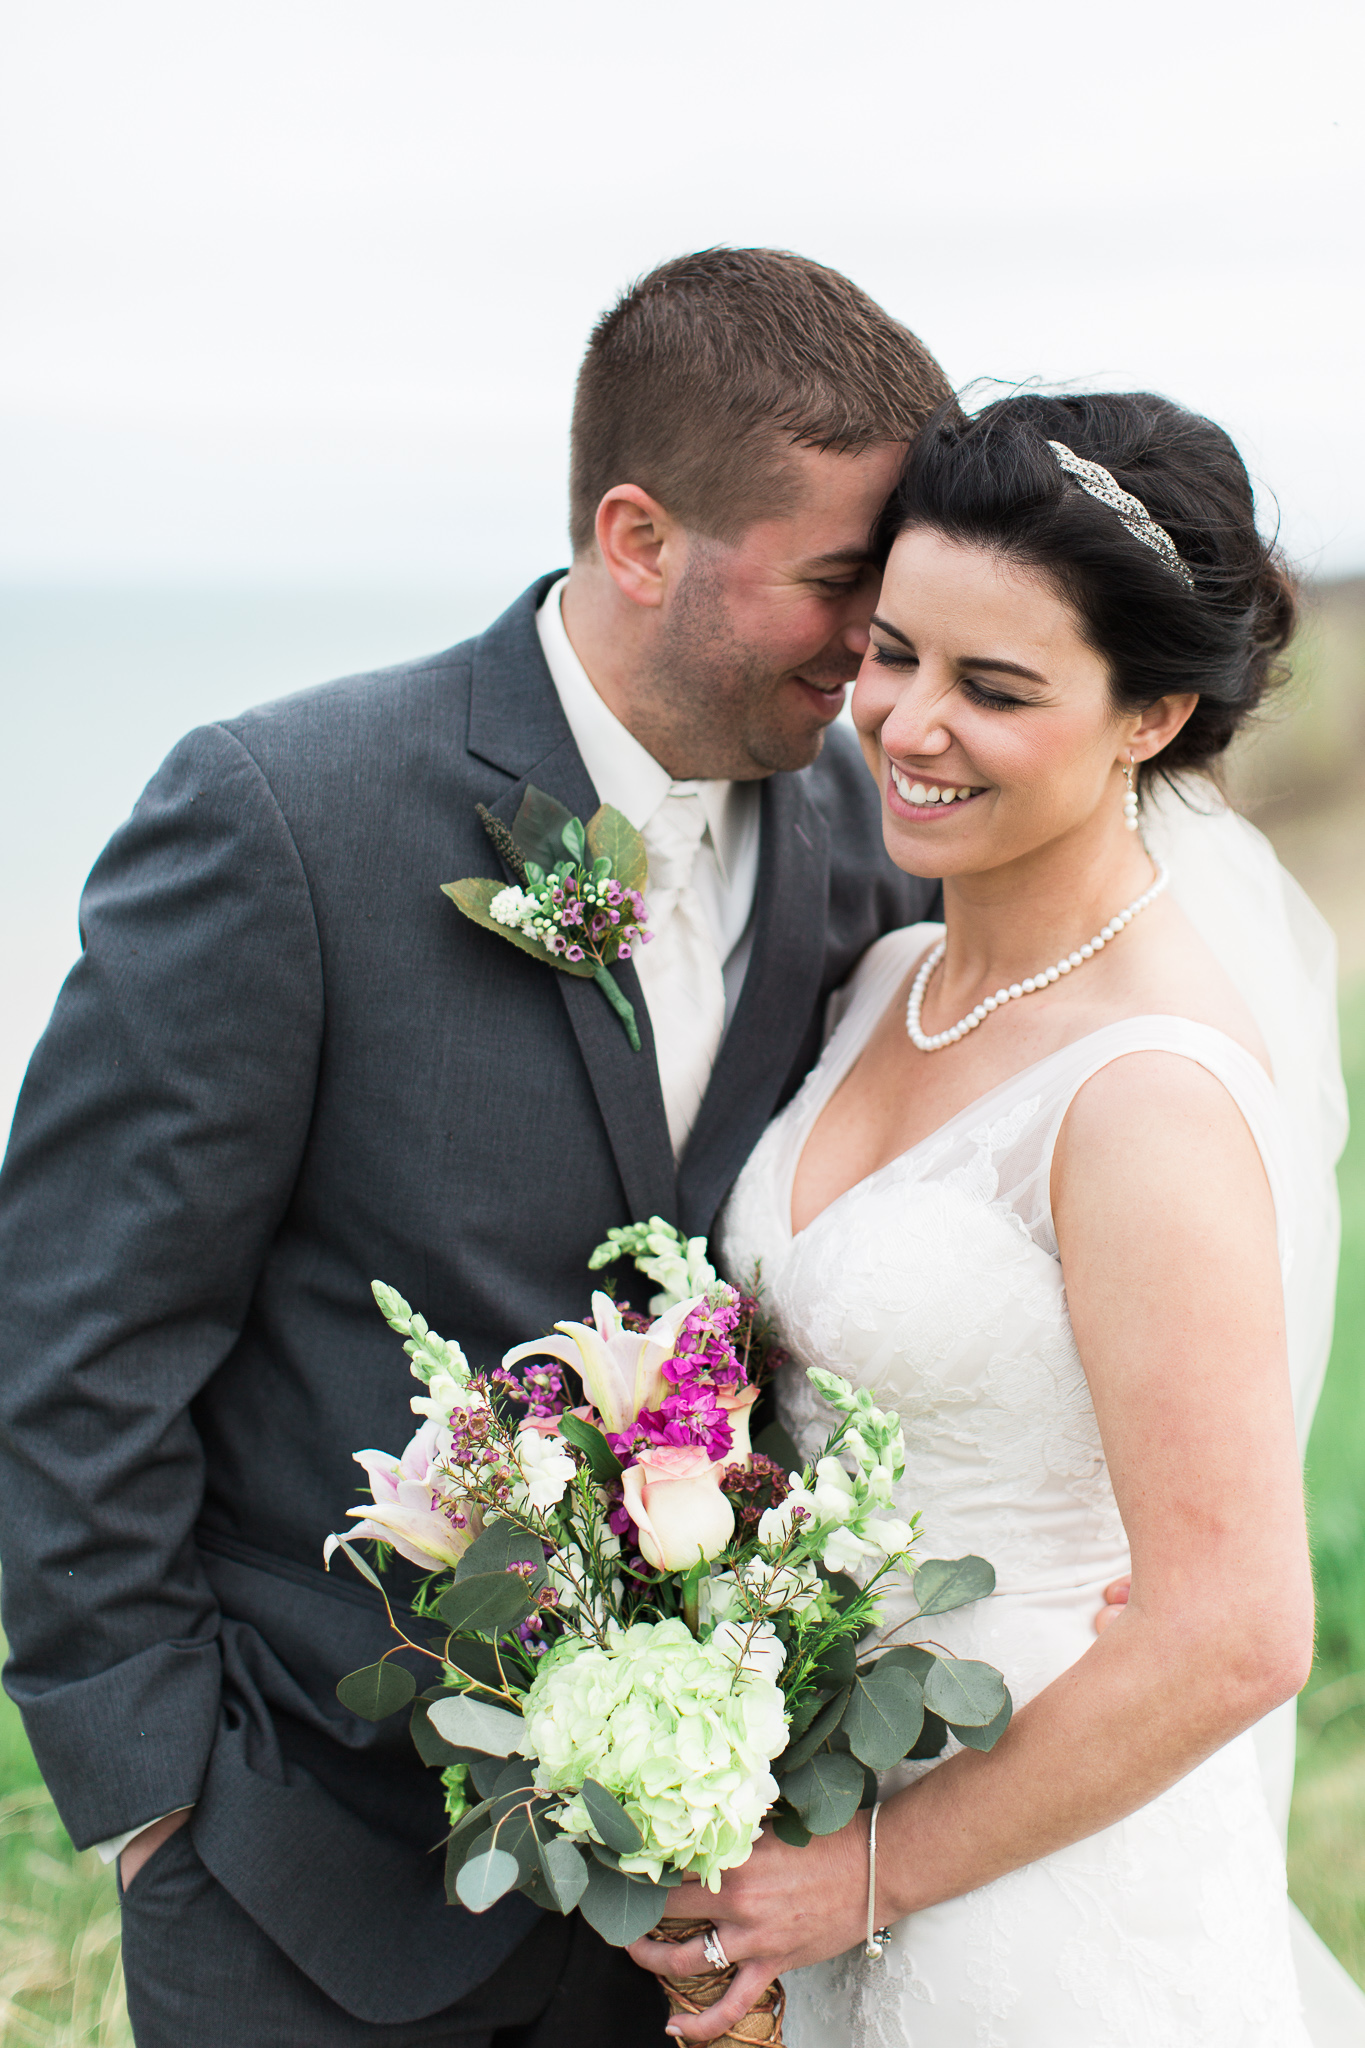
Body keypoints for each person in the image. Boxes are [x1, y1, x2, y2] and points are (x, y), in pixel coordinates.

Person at [0, 248, 952, 2045]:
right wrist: (154, 1810)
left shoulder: (868, 830)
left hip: (694, 1914)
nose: (875, 657)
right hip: (300, 1870)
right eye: (837, 585)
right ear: (638, 535)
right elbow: (76, 1334)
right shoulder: (286, 816)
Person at [627, 391, 1359, 2044]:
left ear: (1148, 717)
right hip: (834, 1807)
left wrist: (854, 1881)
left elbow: (1234, 1633)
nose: (905, 724)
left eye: (995, 688)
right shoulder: (895, 975)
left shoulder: (1146, 1090)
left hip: (1038, 1900)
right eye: (893, 654)